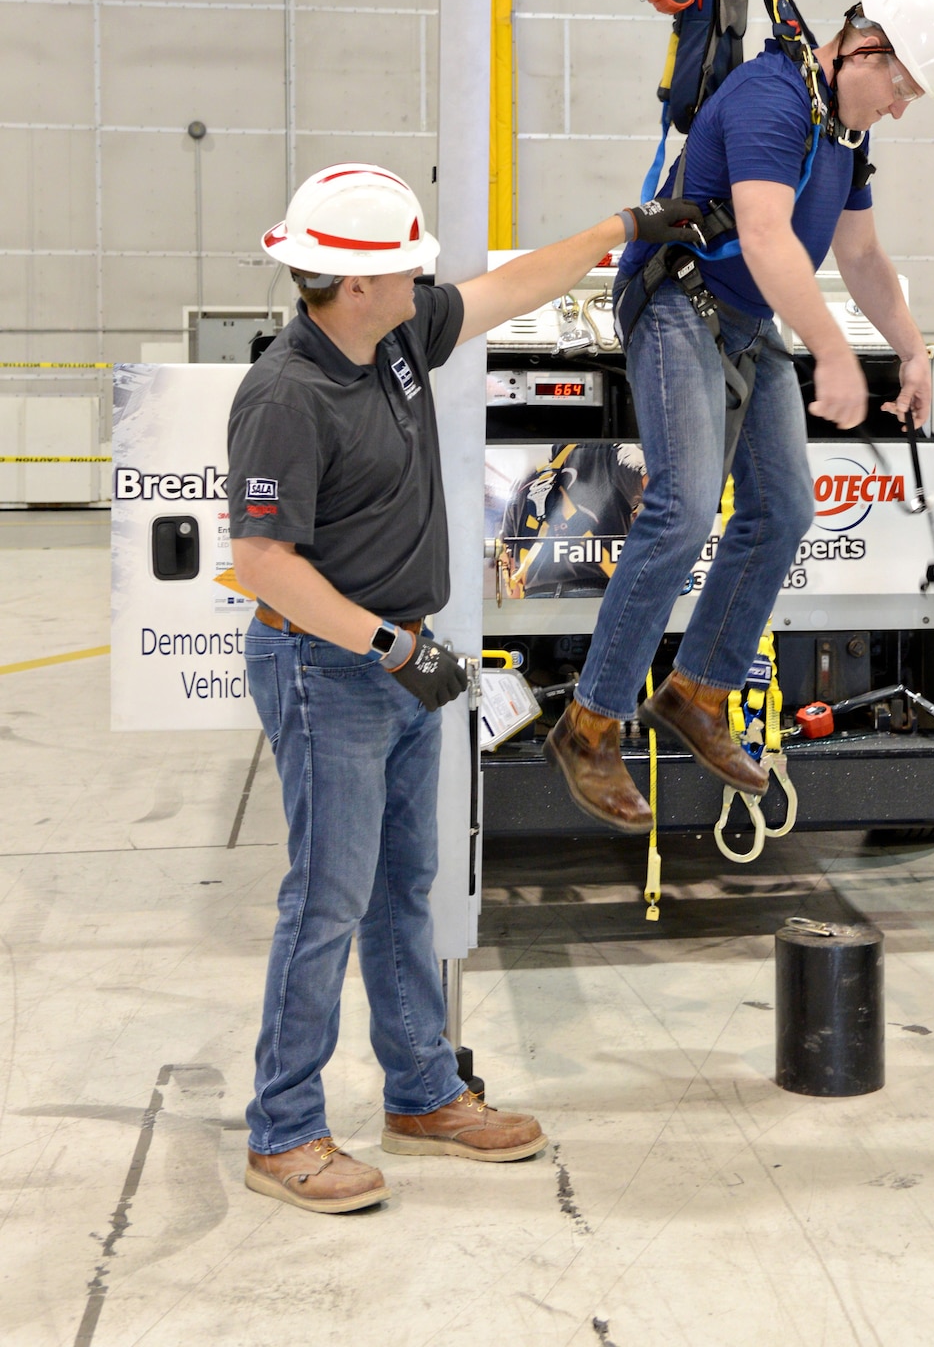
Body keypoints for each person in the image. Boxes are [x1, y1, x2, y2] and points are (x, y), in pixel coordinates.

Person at [228, 163, 702, 1214]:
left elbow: (514, 285)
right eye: (407, 267)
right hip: (327, 667)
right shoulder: (286, 395)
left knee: (406, 883)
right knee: (327, 897)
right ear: (357, 283)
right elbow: (262, 563)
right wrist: (387, 646)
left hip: (399, 656)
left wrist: (623, 226)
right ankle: (284, 1130)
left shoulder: (393, 336)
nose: (424, 281)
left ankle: (421, 1094)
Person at [544, 0, 934, 832]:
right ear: (865, 48)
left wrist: (912, 351)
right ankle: (588, 725)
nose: (898, 109)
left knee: (782, 509)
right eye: (901, 88)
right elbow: (767, 237)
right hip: (676, 299)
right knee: (682, 509)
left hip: (742, 320)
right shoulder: (772, 98)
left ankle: (697, 693)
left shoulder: (841, 133)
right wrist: (834, 352)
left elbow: (861, 256)